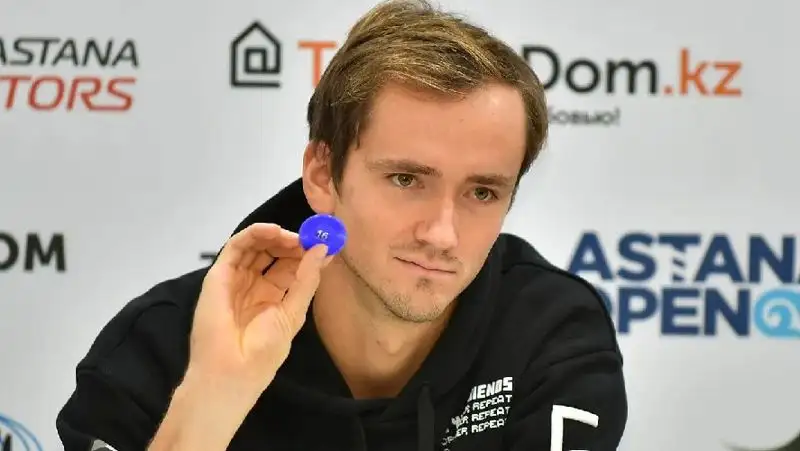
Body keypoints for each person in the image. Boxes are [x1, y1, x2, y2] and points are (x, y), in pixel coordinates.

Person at [56, 1, 628, 450]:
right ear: (322, 174)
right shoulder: (159, 347)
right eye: (406, 179)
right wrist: (212, 396)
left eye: (482, 192)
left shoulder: (550, 335)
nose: (442, 234)